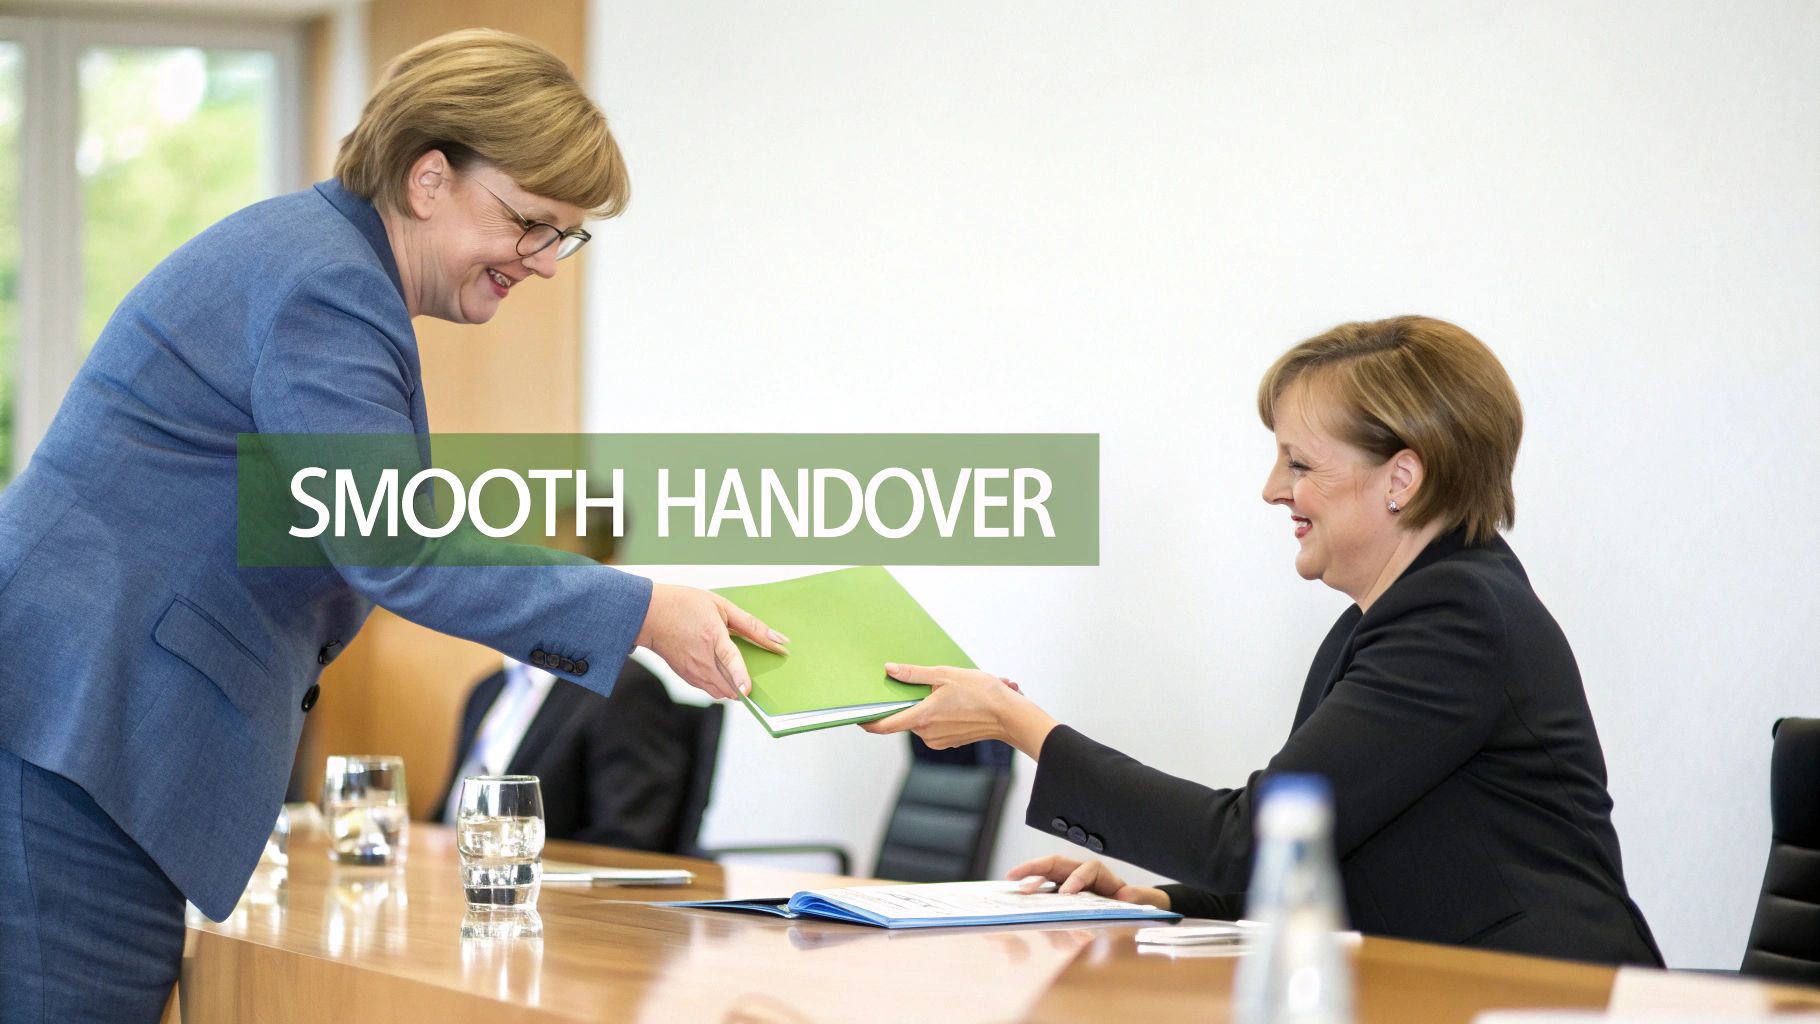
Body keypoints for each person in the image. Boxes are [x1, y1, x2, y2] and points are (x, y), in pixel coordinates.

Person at [0, 30, 785, 1022]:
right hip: (73, 732)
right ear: (427, 179)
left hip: (84, 730)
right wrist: (642, 609)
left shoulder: (316, 263)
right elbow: (395, 544)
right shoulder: (325, 286)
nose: (543, 263)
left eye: (564, 238)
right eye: (530, 224)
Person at [866, 315, 1663, 965]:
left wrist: (1018, 723)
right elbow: (1310, 860)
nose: (1274, 489)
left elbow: (1255, 838)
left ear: (1402, 479)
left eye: (1300, 463)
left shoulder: (1455, 620)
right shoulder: (1385, 620)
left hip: (1543, 998)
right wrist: (1162, 901)